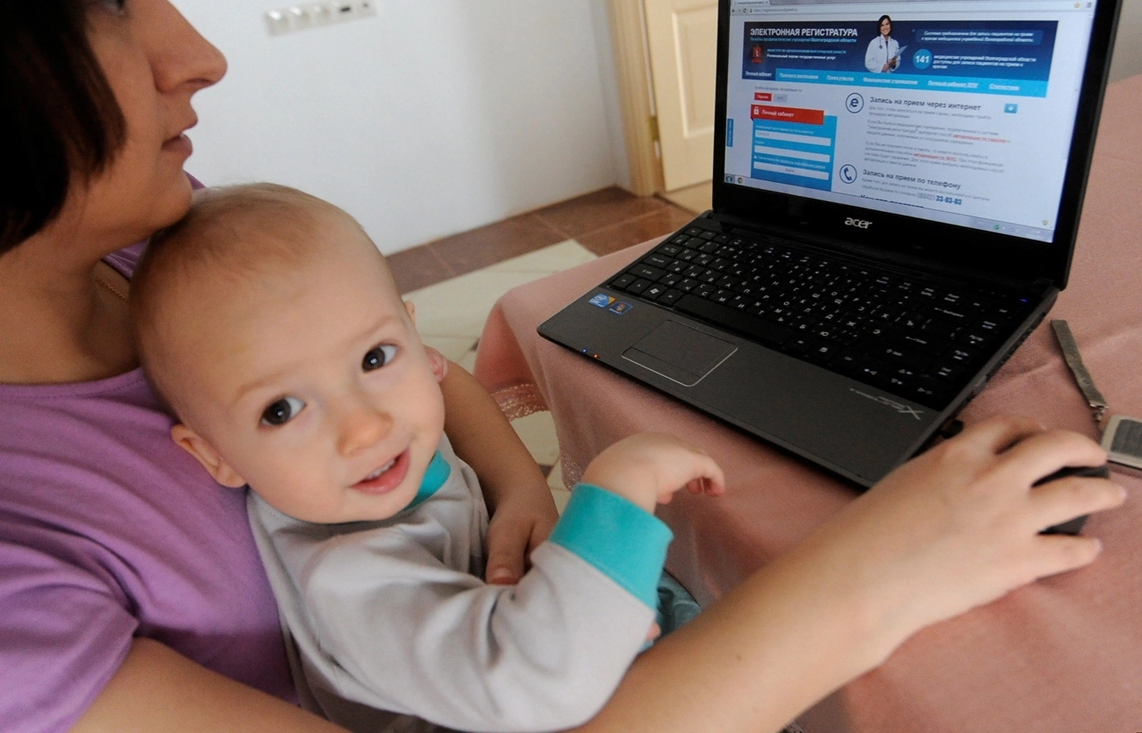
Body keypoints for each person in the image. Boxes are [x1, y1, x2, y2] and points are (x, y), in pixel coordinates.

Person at [0, 0, 1125, 731]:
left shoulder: (150, 238)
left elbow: (426, 369)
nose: (199, 55)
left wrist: (516, 481)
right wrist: (881, 570)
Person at [128, 183, 726, 732]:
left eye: (374, 358)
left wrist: (522, 492)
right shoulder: (350, 580)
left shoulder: (361, 464)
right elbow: (542, 680)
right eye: (281, 410)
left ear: (418, 343)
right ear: (215, 455)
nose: (365, 427)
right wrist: (618, 487)